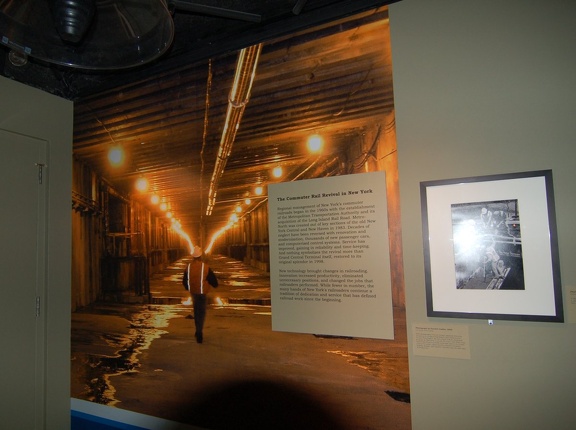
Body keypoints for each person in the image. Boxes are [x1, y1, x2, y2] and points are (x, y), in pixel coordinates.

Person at [182, 246, 218, 343]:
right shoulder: (205, 267)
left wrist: (189, 288)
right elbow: (213, 281)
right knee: (201, 313)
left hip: (193, 293)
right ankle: (199, 332)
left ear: (193, 256)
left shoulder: (188, 267)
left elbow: (184, 281)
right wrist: (214, 285)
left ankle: (197, 330)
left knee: (196, 311)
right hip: (202, 293)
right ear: (201, 256)